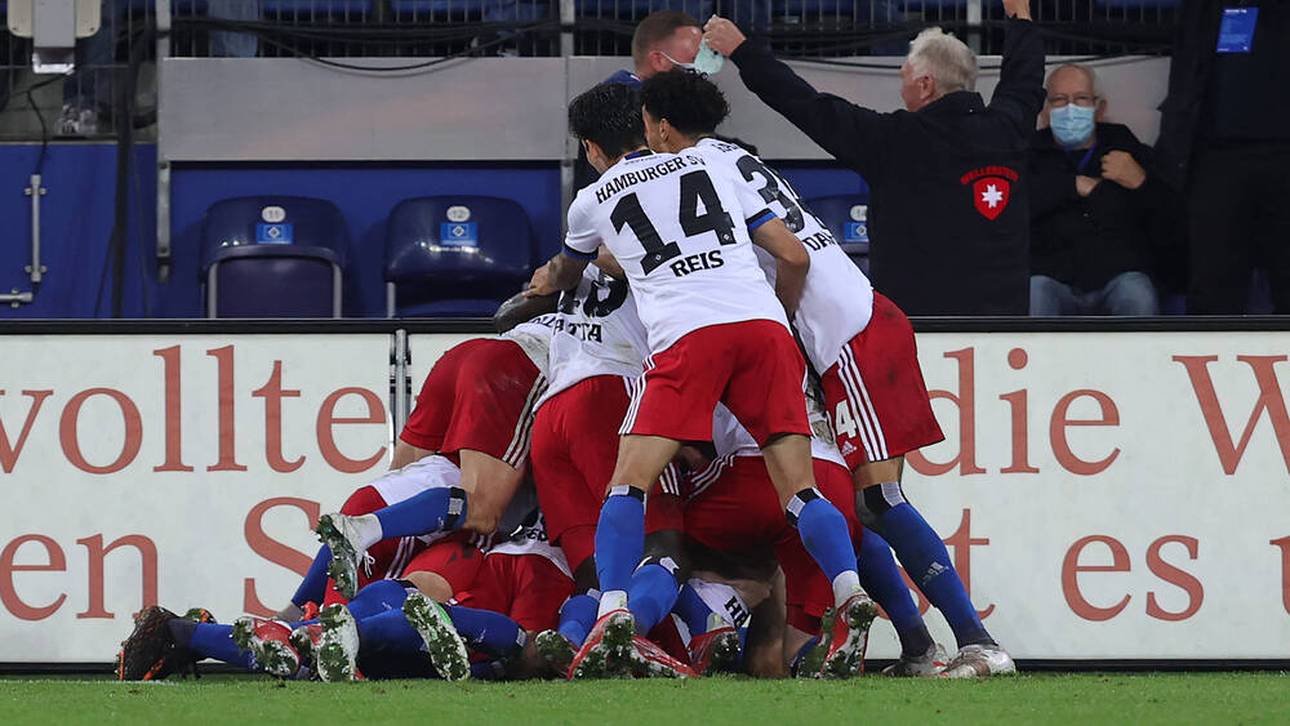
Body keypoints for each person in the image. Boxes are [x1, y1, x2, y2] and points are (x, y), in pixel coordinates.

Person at [638, 68, 1015, 677]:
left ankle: (978, 642)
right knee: (862, 509)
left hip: (848, 331)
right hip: (850, 327)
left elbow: (792, 256)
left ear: (660, 126)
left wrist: (780, 324)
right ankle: (921, 649)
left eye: (649, 129)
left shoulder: (701, 170)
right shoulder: (731, 160)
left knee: (880, 499)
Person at [527, 82, 875, 680]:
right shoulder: (716, 162)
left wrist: (547, 281)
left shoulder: (591, 199)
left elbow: (572, 267)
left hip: (689, 337)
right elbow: (789, 252)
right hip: (764, 328)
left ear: (592, 148)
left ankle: (612, 614)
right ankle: (850, 595)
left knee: (627, 484)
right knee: (801, 489)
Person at [702, 0, 1044, 316]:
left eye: (904, 77)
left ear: (925, 85)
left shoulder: (892, 139)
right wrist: (1021, 18)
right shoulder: (1008, 128)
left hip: (916, 326)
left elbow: (803, 103)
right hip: (1007, 326)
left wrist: (743, 51)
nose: (902, 87)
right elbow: (1024, 79)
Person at [313, 314, 554, 599]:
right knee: (481, 514)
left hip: (470, 352)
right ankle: (365, 529)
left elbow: (406, 462)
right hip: (527, 361)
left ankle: (288, 619)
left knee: (336, 618)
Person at [1155, 0, 1290, 314]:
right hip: (1217, 157)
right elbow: (1188, 70)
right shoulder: (1206, 7)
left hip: (1285, 157)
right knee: (1214, 284)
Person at [1027, 63, 1180, 316]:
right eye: (1059, 100)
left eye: (1081, 99)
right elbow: (1010, 206)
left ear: (1100, 109)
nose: (1070, 108)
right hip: (1050, 277)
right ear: (1044, 111)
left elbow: (1171, 222)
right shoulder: (1026, 154)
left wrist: (1141, 182)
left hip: (1118, 277)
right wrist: (1071, 186)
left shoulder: (1130, 151)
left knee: (1137, 294)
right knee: (1034, 294)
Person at [572, 11, 705, 191]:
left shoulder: (659, 102)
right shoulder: (619, 107)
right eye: (695, 60)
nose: (702, 69)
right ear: (658, 60)